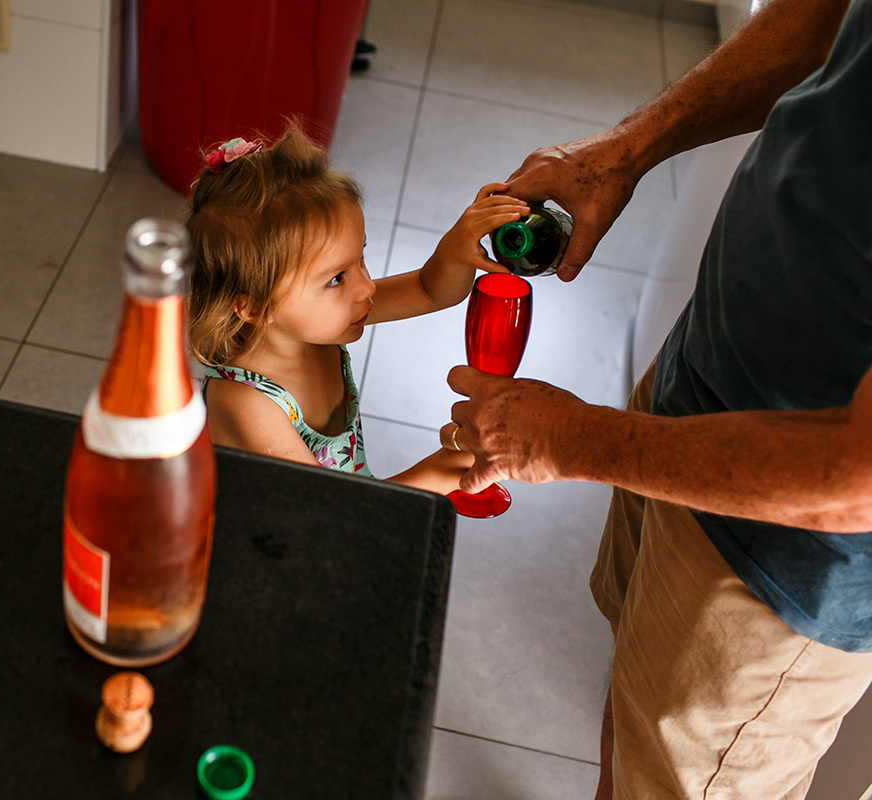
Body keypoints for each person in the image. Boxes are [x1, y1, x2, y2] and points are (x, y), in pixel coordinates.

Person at [438, 0, 872, 796]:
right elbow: (822, 17)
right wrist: (625, 151)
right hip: (701, 375)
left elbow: (857, 478)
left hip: (785, 551)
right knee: (635, 711)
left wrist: (567, 442)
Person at [185, 127, 530, 494]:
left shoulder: (317, 327)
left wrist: (455, 249)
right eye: (336, 278)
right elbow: (333, 510)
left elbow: (430, 291)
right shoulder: (246, 403)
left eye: (360, 258)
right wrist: (439, 471)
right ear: (255, 306)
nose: (366, 287)